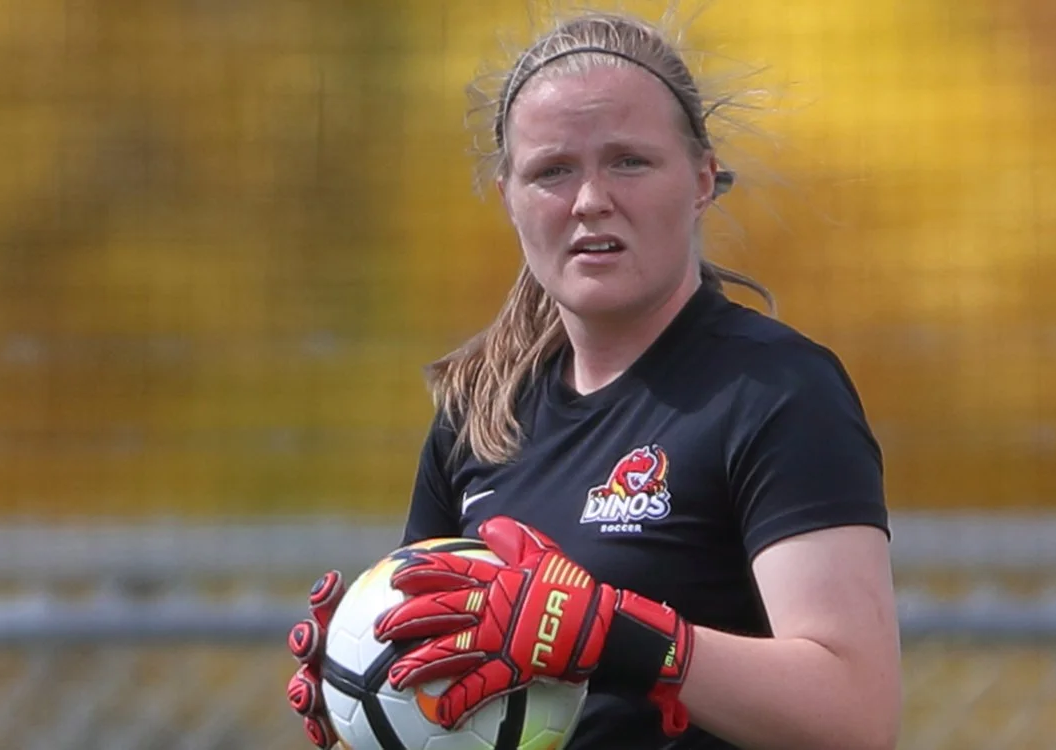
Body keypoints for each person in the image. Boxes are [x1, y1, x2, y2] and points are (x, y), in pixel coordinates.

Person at [286, 9, 902, 749]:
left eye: (629, 162)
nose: (590, 200)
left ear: (703, 180)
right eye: (553, 171)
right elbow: (450, 698)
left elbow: (855, 714)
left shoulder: (777, 391)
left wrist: (625, 638)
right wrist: (368, 701)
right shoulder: (481, 415)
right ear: (510, 197)